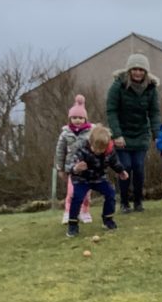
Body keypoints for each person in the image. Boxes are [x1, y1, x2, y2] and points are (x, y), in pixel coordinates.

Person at [105, 52, 161, 213]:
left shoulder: (151, 88)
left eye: (141, 70)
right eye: (134, 69)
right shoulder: (118, 86)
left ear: (146, 72)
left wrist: (157, 135)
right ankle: (124, 202)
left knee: (138, 167)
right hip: (122, 134)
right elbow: (111, 111)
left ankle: (138, 202)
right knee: (125, 166)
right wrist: (117, 134)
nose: (138, 72)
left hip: (141, 133)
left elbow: (154, 113)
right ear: (129, 70)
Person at [64, 124, 127, 237]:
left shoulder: (109, 150)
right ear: (90, 142)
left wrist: (121, 171)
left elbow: (114, 162)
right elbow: (70, 165)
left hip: (99, 178)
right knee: (77, 197)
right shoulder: (81, 148)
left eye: (101, 149)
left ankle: (108, 220)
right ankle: (72, 225)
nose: (98, 151)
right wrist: (76, 168)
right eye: (95, 148)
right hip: (81, 179)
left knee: (110, 193)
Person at [54, 94, 93, 225]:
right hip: (71, 169)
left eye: (80, 118)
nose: (77, 120)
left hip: (88, 168)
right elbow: (60, 152)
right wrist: (60, 169)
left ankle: (84, 211)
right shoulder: (65, 134)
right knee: (71, 192)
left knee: (86, 193)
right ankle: (68, 213)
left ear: (85, 119)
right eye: (74, 117)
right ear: (70, 119)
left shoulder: (90, 133)